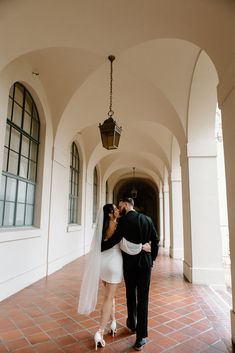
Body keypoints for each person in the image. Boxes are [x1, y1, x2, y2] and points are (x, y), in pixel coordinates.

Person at [102, 197, 159, 351]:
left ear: (126, 205)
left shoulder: (124, 221)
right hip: (145, 263)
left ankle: (132, 324)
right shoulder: (147, 219)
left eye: (120, 206)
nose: (119, 209)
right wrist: (151, 258)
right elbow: (156, 240)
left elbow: (113, 240)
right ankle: (141, 337)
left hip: (130, 264)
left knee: (130, 294)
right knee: (143, 298)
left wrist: (99, 246)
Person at [78, 204, 121, 350]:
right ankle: (100, 332)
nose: (117, 210)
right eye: (114, 209)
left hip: (102, 264)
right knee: (109, 297)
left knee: (109, 295)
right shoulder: (117, 226)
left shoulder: (101, 229)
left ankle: (113, 322)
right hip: (114, 263)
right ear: (109, 214)